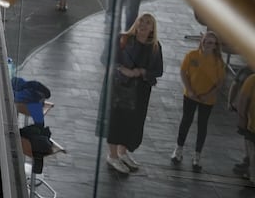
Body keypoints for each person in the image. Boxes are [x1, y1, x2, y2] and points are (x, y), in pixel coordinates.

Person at [106, 13, 163, 174]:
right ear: (136, 23)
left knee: (133, 122)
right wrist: (124, 70)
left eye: (148, 23)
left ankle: (122, 153)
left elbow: (158, 70)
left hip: (141, 92)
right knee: (117, 121)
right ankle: (112, 155)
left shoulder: (155, 47)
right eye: (141, 21)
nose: (144, 25)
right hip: (121, 88)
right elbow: (108, 59)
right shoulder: (123, 39)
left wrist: (141, 72)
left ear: (152, 28)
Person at [170, 31, 225, 171]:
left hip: (207, 99)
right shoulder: (192, 55)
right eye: (207, 41)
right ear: (202, 41)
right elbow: (183, 72)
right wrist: (190, 90)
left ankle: (197, 155)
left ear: (215, 46)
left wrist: (208, 95)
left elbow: (219, 82)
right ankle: (178, 149)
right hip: (190, 96)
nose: (208, 44)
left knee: (202, 126)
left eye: (212, 43)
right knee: (186, 121)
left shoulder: (218, 62)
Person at [235, 71, 255, 188]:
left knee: (252, 150)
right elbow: (242, 101)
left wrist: (242, 117)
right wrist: (242, 118)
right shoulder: (252, 80)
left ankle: (251, 174)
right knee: (252, 150)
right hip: (252, 125)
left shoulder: (252, 79)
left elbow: (242, 101)